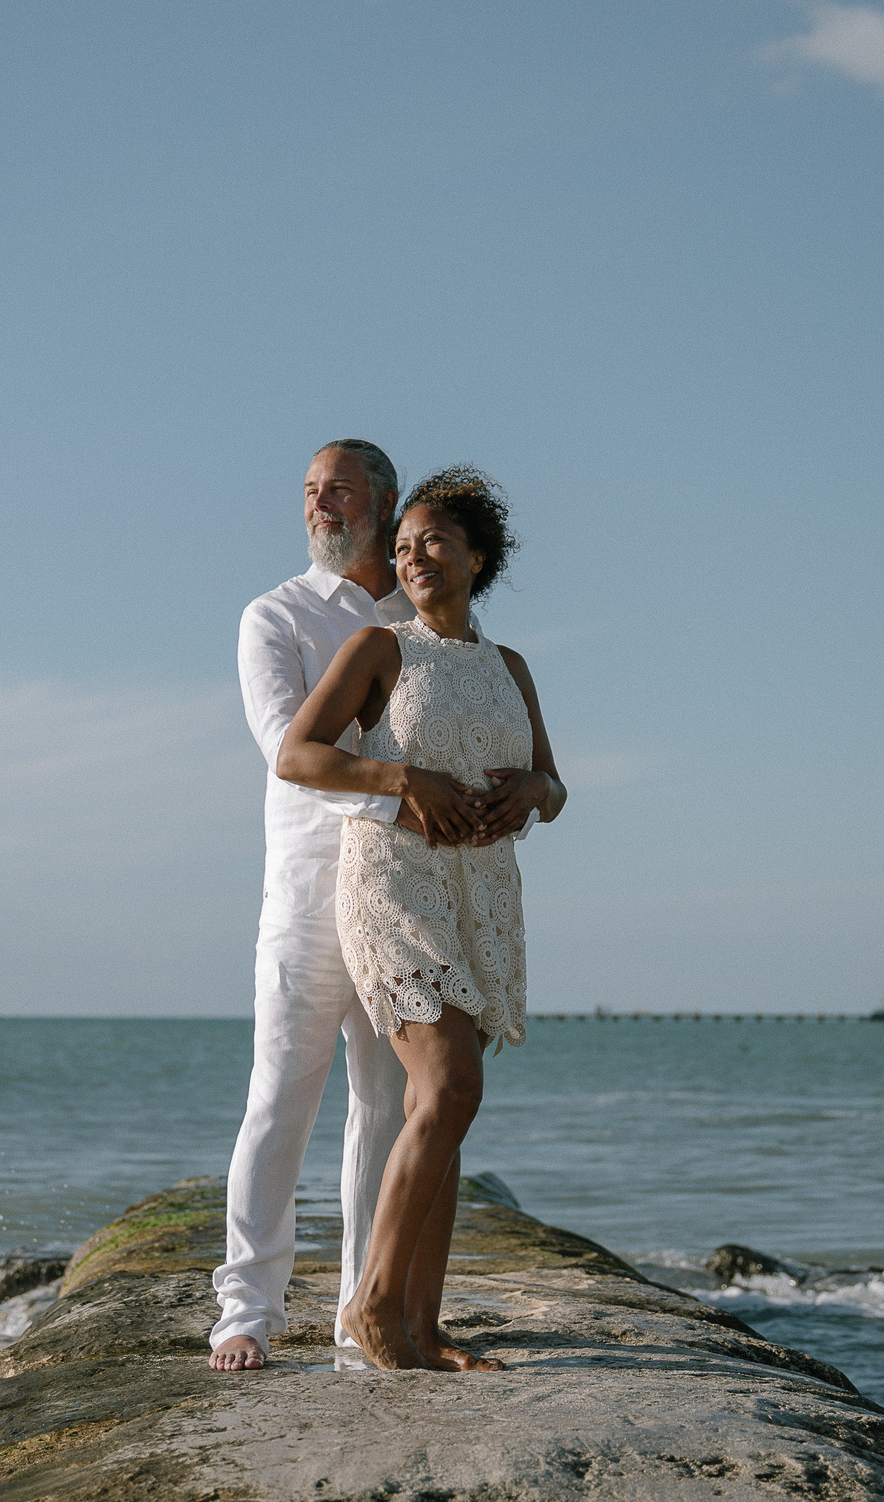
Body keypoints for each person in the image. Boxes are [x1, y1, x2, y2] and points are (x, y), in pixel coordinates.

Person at [276, 466, 565, 1370]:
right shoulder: (377, 648)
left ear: (479, 554)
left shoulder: (509, 667)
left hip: (483, 894)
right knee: (449, 1089)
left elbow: (556, 785)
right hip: (395, 886)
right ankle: (372, 1302)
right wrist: (403, 778)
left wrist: (533, 790)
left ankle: (421, 1326)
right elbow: (298, 755)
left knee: (444, 1105)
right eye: (402, 548)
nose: (414, 557)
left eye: (434, 541)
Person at [210, 439, 470, 1372]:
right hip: (307, 890)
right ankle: (245, 1308)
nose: (322, 506)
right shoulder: (273, 614)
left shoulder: (421, 618)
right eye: (311, 493)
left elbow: (464, 724)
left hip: (402, 894)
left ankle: (364, 1312)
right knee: (280, 1094)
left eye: (341, 491)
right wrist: (403, 789)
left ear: (385, 500)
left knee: (385, 1103)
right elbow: (288, 741)